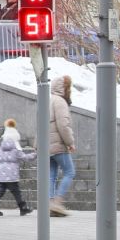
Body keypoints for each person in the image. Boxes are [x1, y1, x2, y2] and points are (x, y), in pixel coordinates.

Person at [0, 121, 36, 216]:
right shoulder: (15, 151)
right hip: (12, 177)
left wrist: (1, 166)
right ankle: (23, 208)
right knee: (16, 192)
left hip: (1, 176)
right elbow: (25, 157)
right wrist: (35, 155)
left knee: (0, 191)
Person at [48, 75, 77, 217]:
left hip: (47, 146)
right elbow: (63, 125)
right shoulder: (60, 102)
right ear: (64, 88)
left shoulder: (49, 100)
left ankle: (50, 203)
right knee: (70, 172)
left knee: (51, 175)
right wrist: (70, 143)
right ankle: (57, 203)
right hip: (58, 144)